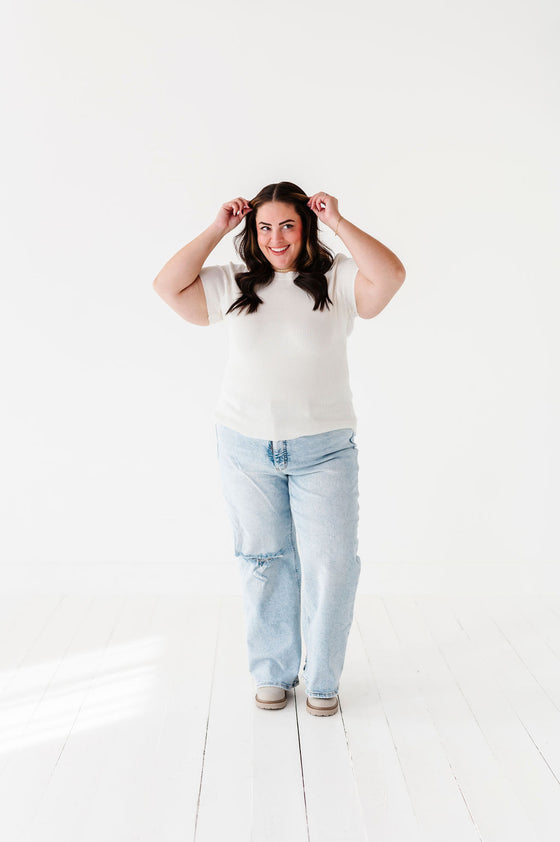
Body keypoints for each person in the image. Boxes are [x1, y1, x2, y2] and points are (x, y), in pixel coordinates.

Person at [152, 181, 405, 717]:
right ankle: (272, 671)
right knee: (264, 562)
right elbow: (167, 286)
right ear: (251, 233)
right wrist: (217, 228)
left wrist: (338, 220)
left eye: (287, 225)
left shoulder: (336, 281)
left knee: (332, 565)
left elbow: (392, 276)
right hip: (245, 447)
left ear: (305, 227)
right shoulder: (234, 283)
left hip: (325, 450)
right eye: (263, 228)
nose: (275, 238)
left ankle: (323, 680)